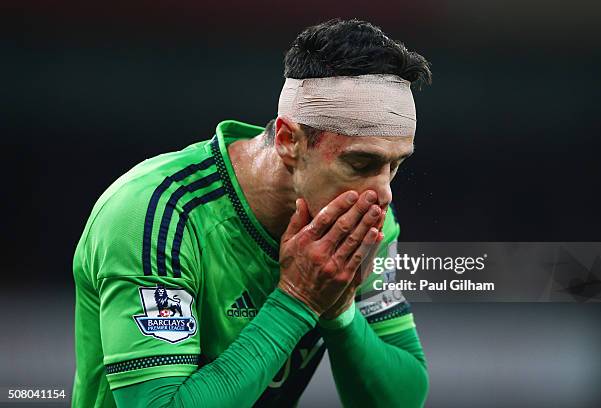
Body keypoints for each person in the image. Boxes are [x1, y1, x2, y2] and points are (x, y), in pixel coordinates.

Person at [72, 18, 432, 408]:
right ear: (288, 140)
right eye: (362, 164)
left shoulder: (360, 224)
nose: (384, 194)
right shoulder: (154, 215)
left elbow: (403, 398)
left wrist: (340, 311)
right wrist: (298, 300)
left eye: (395, 165)